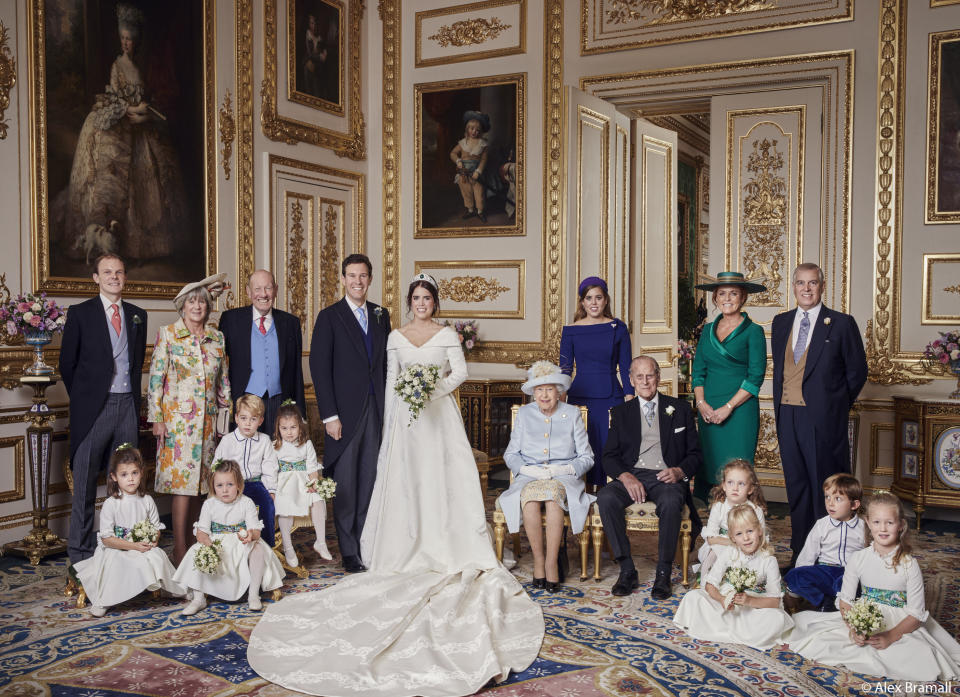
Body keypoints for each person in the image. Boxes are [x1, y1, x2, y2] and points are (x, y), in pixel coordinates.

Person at [248, 273, 543, 697]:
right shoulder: (396, 335)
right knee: (407, 484)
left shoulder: (445, 335)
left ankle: (444, 543)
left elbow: (459, 373)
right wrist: (392, 423)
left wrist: (431, 388)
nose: (421, 303)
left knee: (441, 482)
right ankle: (405, 543)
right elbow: (388, 383)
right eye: (416, 298)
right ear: (410, 302)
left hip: (439, 420)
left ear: (434, 303)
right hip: (406, 424)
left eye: (427, 298)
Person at [60, 3, 188, 263]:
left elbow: (142, 95)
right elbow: (117, 97)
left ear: (136, 41)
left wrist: (145, 110)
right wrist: (132, 108)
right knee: (115, 177)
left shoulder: (138, 69)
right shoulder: (117, 65)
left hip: (140, 128)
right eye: (123, 38)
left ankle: (142, 244)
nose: (126, 43)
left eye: (130, 39)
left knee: (149, 178)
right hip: (122, 123)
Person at [788, 492, 960, 681]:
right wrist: (854, 628)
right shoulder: (859, 558)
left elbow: (916, 614)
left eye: (890, 523)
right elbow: (845, 600)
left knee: (921, 656)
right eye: (877, 522)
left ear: (901, 525)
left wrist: (891, 636)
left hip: (900, 621)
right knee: (821, 641)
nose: (883, 528)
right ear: (868, 523)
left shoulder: (909, 564)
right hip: (865, 615)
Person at [772, 263, 867, 568]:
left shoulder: (840, 323)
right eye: (801, 283)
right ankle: (801, 558)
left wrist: (833, 406)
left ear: (822, 286)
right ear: (794, 287)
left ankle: (829, 560)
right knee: (797, 489)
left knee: (824, 490)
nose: (806, 289)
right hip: (788, 415)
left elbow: (857, 372)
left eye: (813, 283)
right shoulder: (781, 322)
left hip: (823, 421)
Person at [60, 253, 147, 566]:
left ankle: (128, 552)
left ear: (125, 277)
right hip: (94, 409)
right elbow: (66, 364)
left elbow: (135, 365)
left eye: (119, 272)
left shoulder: (138, 314)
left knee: (128, 483)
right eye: (107, 272)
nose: (114, 277)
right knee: (83, 485)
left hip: (127, 406)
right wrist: (86, 399)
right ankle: (80, 557)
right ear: (95, 277)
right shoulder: (81, 313)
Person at [308, 253, 391, 574]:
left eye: (363, 276)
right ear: (342, 279)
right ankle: (350, 552)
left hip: (376, 408)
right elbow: (319, 366)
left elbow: (386, 363)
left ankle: (366, 544)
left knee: (370, 480)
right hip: (343, 413)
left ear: (370, 279)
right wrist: (329, 415)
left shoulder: (382, 315)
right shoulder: (329, 317)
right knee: (345, 484)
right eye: (352, 276)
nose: (357, 281)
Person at [598, 356, 703, 600]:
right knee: (605, 498)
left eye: (650, 375)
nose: (645, 381)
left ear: (658, 377)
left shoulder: (680, 409)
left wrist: (679, 471)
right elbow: (609, 457)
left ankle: (664, 572)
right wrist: (625, 476)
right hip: (632, 475)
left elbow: (696, 454)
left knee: (670, 501)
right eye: (639, 377)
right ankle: (627, 570)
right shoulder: (621, 412)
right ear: (632, 381)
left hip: (666, 476)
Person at [148, 273, 230, 565]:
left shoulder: (216, 337)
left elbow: (223, 382)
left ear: (208, 306)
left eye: (202, 301)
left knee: (201, 485)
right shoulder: (168, 334)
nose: (197, 306)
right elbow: (156, 379)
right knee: (182, 486)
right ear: (182, 307)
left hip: (208, 425)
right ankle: (179, 547)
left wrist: (225, 419)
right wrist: (156, 419)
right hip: (177, 425)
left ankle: (196, 542)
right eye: (192, 301)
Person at [498, 361, 595, 592]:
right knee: (530, 500)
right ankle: (539, 561)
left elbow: (587, 457)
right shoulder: (524, 413)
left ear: (558, 391)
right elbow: (511, 454)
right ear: (533, 392)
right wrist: (528, 470)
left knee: (552, 499)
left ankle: (551, 563)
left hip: (563, 476)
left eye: (549, 389)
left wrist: (561, 471)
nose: (544, 394)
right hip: (529, 475)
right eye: (539, 389)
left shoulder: (571, 414)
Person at [73, 444, 185, 617]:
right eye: (124, 475)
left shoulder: (146, 500)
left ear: (141, 473)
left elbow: (156, 527)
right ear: (114, 477)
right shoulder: (111, 503)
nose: (130, 479)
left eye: (134, 473)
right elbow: (107, 539)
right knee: (115, 562)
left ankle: (173, 590)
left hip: (141, 545)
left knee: (158, 556)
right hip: (118, 547)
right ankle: (104, 600)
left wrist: (153, 540)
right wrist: (133, 546)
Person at [691, 271, 767, 502]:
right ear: (715, 298)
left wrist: (728, 407)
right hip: (709, 410)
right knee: (711, 467)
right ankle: (715, 524)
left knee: (738, 469)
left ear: (743, 297)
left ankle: (740, 524)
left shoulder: (754, 332)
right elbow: (698, 372)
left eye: (733, 293)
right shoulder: (707, 330)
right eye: (722, 293)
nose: (727, 298)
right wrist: (701, 404)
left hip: (739, 411)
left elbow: (755, 378)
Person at [674, 504, 793, 650]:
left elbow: (774, 601)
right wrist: (722, 599)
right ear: (732, 537)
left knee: (777, 619)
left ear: (760, 531)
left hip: (754, 607)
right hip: (727, 603)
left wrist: (749, 600)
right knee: (693, 597)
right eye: (739, 534)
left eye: (750, 531)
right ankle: (735, 629)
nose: (746, 538)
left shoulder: (768, 560)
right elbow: (710, 584)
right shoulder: (729, 552)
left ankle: (725, 628)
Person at [175, 459, 284, 615]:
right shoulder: (209, 504)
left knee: (259, 549)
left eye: (230, 485)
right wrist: (207, 544)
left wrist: (250, 536)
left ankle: (253, 595)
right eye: (219, 485)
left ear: (239, 485)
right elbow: (202, 531)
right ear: (213, 486)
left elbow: (256, 530)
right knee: (196, 550)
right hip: (217, 542)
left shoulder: (246, 503)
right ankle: (198, 598)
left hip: (240, 543)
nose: (225, 490)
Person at [559, 276, 634, 487]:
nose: (594, 303)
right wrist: (561, 402)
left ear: (606, 300)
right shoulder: (571, 330)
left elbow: (627, 366)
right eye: (589, 298)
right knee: (583, 445)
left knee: (609, 446)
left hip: (612, 396)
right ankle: (581, 490)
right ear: (582, 302)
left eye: (598, 297)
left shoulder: (618, 328)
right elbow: (565, 369)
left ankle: (612, 492)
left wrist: (629, 398)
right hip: (580, 396)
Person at [219, 269, 305, 437]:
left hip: (279, 402)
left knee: (278, 454)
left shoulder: (291, 323)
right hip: (244, 403)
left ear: (276, 290)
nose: (263, 294)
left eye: (268, 288)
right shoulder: (231, 320)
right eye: (257, 289)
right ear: (248, 292)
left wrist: (301, 414)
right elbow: (218, 363)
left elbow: (297, 373)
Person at [783, 473, 864, 613]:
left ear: (854, 504)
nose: (830, 503)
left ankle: (838, 604)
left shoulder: (863, 527)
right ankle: (822, 601)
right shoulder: (822, 525)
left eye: (837, 498)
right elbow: (809, 552)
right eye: (827, 497)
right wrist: (802, 573)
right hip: (824, 571)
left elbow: (871, 553)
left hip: (849, 573)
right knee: (793, 576)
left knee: (848, 583)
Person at [213, 395, 279, 547]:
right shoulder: (228, 440)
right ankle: (232, 544)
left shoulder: (264, 440)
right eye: (243, 418)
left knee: (267, 505)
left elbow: (270, 467)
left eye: (253, 419)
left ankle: (266, 546)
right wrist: (221, 487)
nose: (247, 423)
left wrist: (271, 490)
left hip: (255, 484)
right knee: (231, 510)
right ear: (236, 418)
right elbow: (217, 466)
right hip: (233, 484)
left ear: (260, 421)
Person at [272, 400, 331, 566]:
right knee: (284, 507)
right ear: (278, 428)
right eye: (284, 428)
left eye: (293, 427)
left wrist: (314, 483)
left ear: (300, 426)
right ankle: (288, 546)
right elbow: (271, 470)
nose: (289, 433)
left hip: (303, 480)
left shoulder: (306, 444)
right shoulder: (275, 446)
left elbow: (312, 466)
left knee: (318, 500)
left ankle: (320, 541)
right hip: (284, 483)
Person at [697, 459, 767, 577]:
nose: (735, 488)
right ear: (724, 486)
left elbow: (762, 539)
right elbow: (711, 539)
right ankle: (706, 580)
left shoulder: (755, 510)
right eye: (730, 482)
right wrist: (733, 542)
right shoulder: (718, 507)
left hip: (747, 544)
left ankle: (740, 579)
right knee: (714, 552)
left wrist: (744, 544)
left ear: (750, 489)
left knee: (760, 561)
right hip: (722, 543)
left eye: (741, 484)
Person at [450, 110, 492, 222]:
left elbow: (484, 160)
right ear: (467, 129)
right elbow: (453, 153)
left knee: (479, 193)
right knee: (466, 192)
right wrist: (458, 161)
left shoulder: (483, 144)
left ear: (481, 131)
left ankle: (480, 211)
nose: (474, 132)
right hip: (463, 173)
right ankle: (470, 209)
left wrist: (478, 172)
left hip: (476, 173)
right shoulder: (463, 142)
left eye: (478, 130)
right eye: (472, 128)